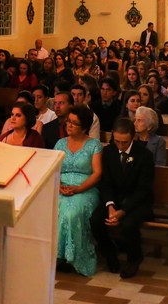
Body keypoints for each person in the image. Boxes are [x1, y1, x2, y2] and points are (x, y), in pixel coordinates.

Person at [91, 118, 155, 279]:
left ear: (133, 137)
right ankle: (109, 253)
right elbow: (105, 183)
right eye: (117, 141)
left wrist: (123, 211)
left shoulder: (145, 155)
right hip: (115, 200)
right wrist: (110, 206)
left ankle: (134, 258)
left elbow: (143, 189)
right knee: (95, 220)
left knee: (129, 223)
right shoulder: (108, 152)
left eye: (124, 142)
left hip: (138, 202)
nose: (120, 146)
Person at [54, 105, 102, 276]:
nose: (69, 125)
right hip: (60, 188)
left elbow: (97, 173)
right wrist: (59, 186)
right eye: (68, 121)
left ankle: (73, 257)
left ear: (84, 127)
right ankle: (56, 257)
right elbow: (53, 169)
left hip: (85, 189)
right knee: (54, 210)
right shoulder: (60, 143)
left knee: (71, 214)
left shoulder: (94, 145)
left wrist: (79, 188)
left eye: (74, 123)